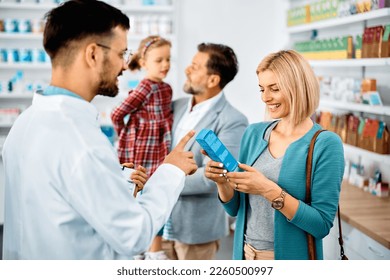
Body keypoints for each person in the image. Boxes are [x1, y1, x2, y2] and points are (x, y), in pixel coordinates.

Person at [1, 0, 197, 260]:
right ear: (93, 54)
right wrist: (171, 170)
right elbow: (133, 235)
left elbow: (57, 204)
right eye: (121, 54)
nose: (125, 66)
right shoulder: (80, 140)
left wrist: (116, 180)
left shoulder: (26, 123)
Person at [204, 50, 344, 260]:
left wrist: (268, 189)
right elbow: (235, 209)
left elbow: (321, 225)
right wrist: (222, 182)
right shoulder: (253, 133)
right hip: (244, 254)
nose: (265, 97)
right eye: (262, 89)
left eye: (274, 89)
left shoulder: (326, 144)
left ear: (297, 88)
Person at [162, 43, 248, 260]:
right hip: (159, 222)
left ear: (213, 80)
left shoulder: (233, 120)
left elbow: (217, 174)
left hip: (196, 230)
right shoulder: (175, 106)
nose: (187, 70)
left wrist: (162, 181)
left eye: (195, 66)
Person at [110, 35, 173, 260]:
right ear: (145, 63)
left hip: (160, 149)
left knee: (156, 195)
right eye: (159, 60)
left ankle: (153, 249)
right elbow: (117, 114)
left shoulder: (166, 89)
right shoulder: (144, 87)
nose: (165, 65)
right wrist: (125, 136)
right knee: (138, 196)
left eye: (168, 59)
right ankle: (141, 251)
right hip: (141, 152)